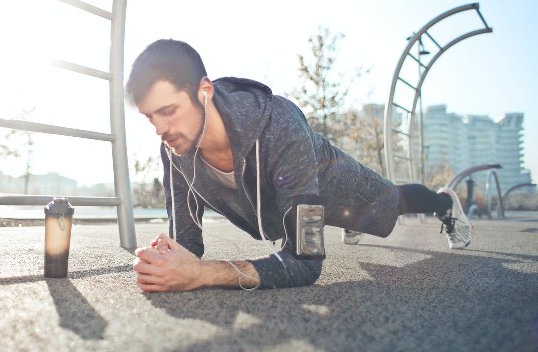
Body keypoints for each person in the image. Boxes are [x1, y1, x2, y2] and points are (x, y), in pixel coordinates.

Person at [126, 39, 471, 292]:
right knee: (320, 220)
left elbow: (305, 262)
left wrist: (202, 274)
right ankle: (345, 222)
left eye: (168, 111)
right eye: (149, 117)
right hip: (294, 204)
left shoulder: (280, 125)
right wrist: (165, 261)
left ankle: (444, 202)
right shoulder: (175, 147)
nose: (160, 130)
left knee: (393, 202)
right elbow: (188, 242)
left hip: (340, 189)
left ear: (204, 91)